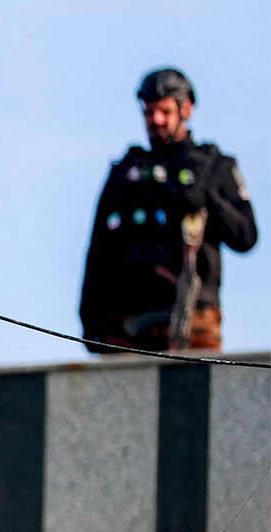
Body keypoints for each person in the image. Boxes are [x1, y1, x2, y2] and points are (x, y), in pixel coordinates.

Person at [79, 68, 257, 352]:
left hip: (195, 317)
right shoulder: (126, 173)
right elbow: (98, 252)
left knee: (195, 381)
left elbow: (246, 236)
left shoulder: (212, 166)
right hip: (129, 322)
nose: (156, 120)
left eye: (164, 111)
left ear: (186, 109)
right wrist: (90, 322)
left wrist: (206, 198)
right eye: (149, 113)